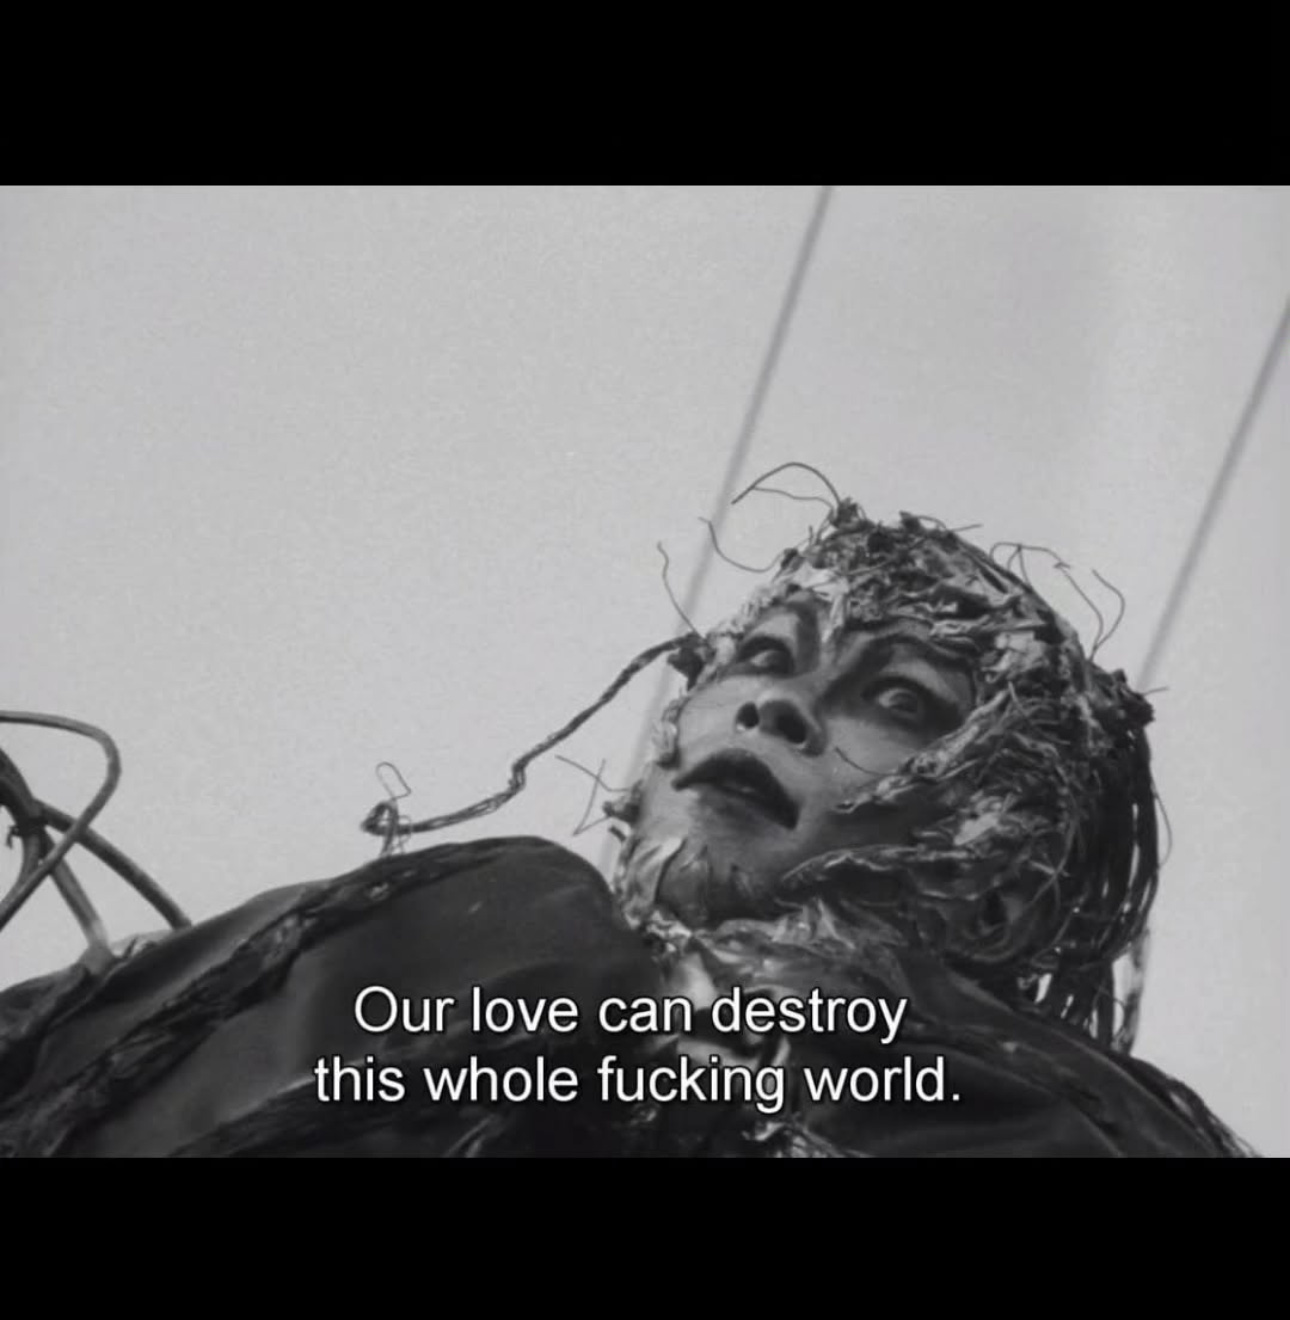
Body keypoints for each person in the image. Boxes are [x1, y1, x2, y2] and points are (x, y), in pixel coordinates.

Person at [0, 481, 1253, 1156]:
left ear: (1001, 890)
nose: (774, 706)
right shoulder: (441, 926)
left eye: (899, 701)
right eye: (762, 655)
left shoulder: (1047, 1124)